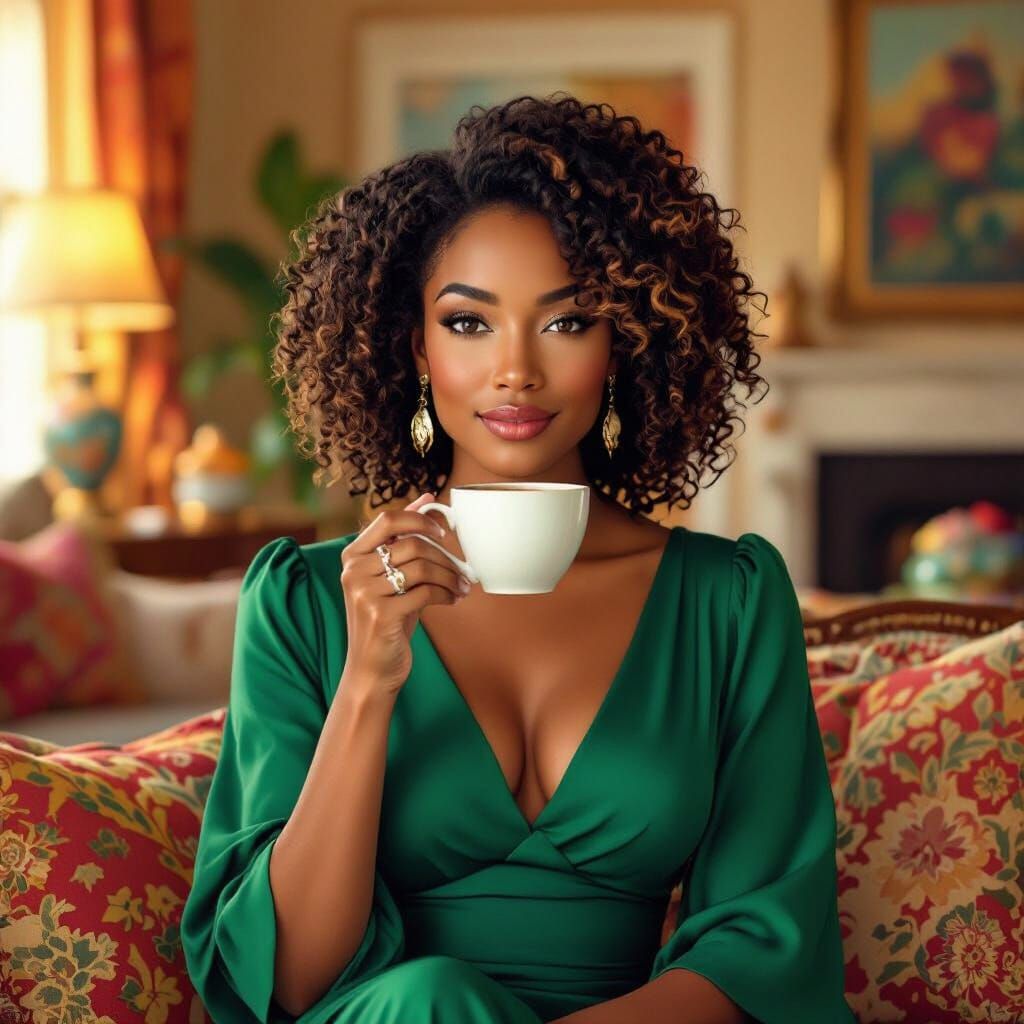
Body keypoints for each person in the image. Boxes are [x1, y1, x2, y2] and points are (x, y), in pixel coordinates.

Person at [180, 94, 855, 1024]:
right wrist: (368, 683)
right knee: (433, 998)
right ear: (416, 347)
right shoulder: (307, 602)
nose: (516, 371)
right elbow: (290, 977)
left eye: (567, 322)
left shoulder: (728, 602)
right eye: (469, 323)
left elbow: (766, 947)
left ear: (623, 345)